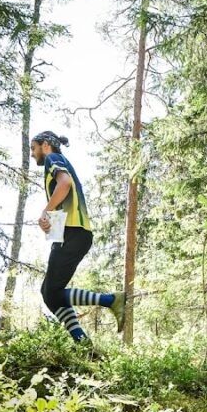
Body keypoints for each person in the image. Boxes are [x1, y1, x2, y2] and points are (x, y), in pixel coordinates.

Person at [32, 130, 124, 344]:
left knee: (53, 294)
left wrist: (45, 211)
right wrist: (51, 223)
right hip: (74, 234)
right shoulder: (60, 161)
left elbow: (64, 184)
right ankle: (84, 345)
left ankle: (111, 300)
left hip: (72, 233)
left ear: (45, 145)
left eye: (33, 148)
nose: (32, 153)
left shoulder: (53, 158)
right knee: (48, 293)